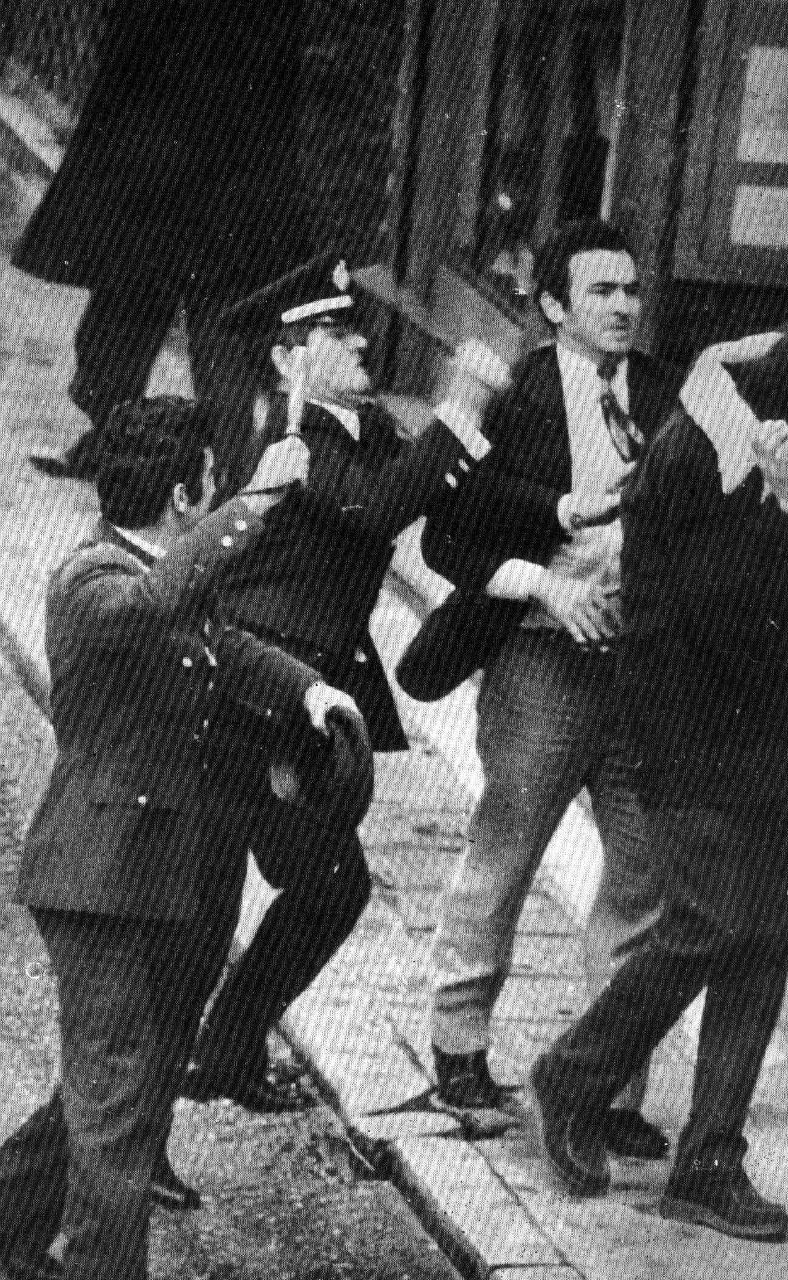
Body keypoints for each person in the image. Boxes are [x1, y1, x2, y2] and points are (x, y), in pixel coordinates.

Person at [525, 321, 788, 1242]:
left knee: (761, 941)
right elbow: (727, 615)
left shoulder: (750, 427)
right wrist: (787, 509)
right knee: (706, 921)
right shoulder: (705, 456)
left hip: (756, 735)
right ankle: (574, 1075)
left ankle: (708, 1163)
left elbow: (756, 351)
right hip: (688, 731)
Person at [0, 396, 362, 1280]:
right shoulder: (93, 580)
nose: (219, 491)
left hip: (154, 873)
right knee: (118, 1102)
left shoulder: (173, 579)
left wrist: (311, 689)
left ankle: (2, 1207)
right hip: (92, 879)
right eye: (214, 482)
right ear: (188, 495)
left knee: (129, 1079)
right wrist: (259, 500)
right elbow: (157, 605)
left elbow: (225, 645)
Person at [179, 255, 513, 1110]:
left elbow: (428, 492)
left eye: (355, 326)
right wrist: (460, 406)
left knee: (322, 886)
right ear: (287, 359)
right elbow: (376, 509)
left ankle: (223, 1052)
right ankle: (171, 1079)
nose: (361, 341)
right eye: (335, 331)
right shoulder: (286, 438)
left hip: (297, 703)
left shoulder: (364, 431)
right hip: (246, 698)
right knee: (226, 904)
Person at [405, 218, 681, 1162]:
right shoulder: (519, 399)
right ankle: (459, 1052)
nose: (623, 306)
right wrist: (548, 588)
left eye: (631, 289)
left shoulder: (664, 394)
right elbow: (448, 539)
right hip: (541, 663)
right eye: (601, 291)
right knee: (508, 847)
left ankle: (607, 1085)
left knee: (642, 877)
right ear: (556, 305)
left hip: (639, 671)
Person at [16, 0, 317, 481]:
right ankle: (114, 444)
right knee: (126, 303)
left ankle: (233, 476)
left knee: (219, 320)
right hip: (158, 143)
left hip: (223, 148)